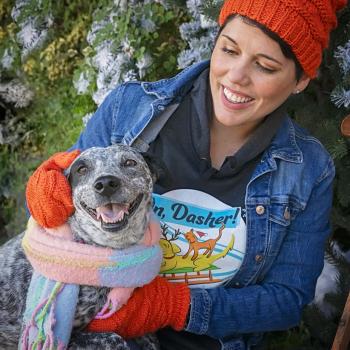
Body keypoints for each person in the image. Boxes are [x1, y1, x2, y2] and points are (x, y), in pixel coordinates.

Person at [25, 0, 347, 349]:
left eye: (265, 66)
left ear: (300, 80)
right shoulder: (130, 111)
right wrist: (47, 196)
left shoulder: (308, 168)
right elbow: (56, 221)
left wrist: (174, 306)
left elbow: (284, 301)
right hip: (94, 334)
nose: (236, 76)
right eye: (229, 50)